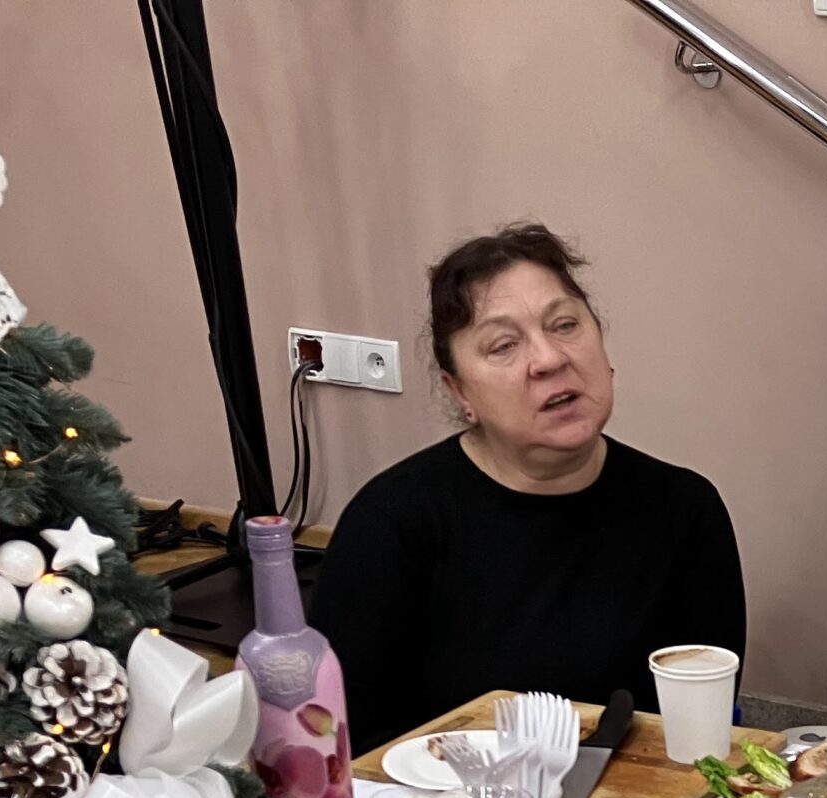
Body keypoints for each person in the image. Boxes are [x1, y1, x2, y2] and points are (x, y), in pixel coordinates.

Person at [311, 223, 745, 752]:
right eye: (503, 345)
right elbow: (347, 742)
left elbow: (700, 727)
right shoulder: (390, 525)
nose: (550, 359)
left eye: (565, 325)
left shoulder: (685, 510)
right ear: (459, 391)